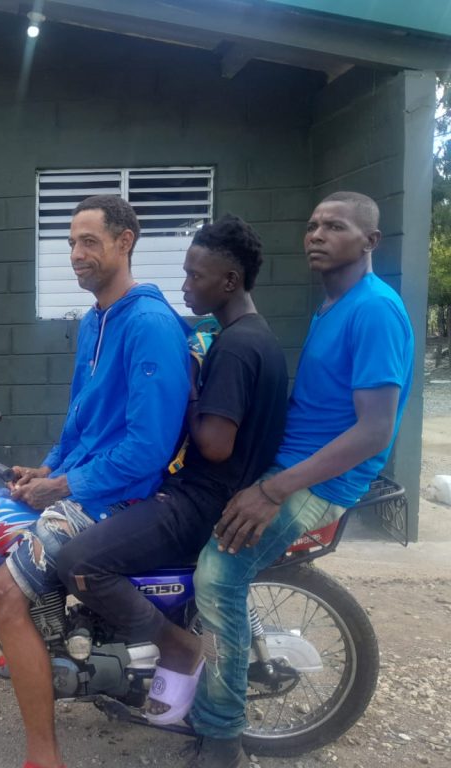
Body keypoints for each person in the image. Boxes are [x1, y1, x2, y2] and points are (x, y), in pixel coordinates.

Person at [185, 192, 414, 768]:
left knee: (218, 573)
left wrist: (273, 489)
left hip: (321, 482)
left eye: (335, 226)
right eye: (313, 225)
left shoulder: (375, 310)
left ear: (370, 241)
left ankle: (222, 733)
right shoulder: (332, 305)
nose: (317, 235)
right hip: (290, 467)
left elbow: (374, 431)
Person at [55, 214, 288, 730]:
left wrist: (189, 389)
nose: (184, 287)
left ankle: (177, 647)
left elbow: (215, 445)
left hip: (202, 499)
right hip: (213, 491)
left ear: (230, 281)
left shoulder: (235, 347)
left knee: (79, 561)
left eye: (194, 276)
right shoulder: (254, 336)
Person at [0, 195, 191, 768]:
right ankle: (43, 643)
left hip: (123, 495)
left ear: (125, 242)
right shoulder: (96, 319)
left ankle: (44, 755)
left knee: (1, 594)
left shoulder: (149, 323)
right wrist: (49, 468)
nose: (76, 253)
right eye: (72, 242)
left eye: (89, 242)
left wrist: (65, 487)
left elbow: (147, 448)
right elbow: (82, 420)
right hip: (87, 482)